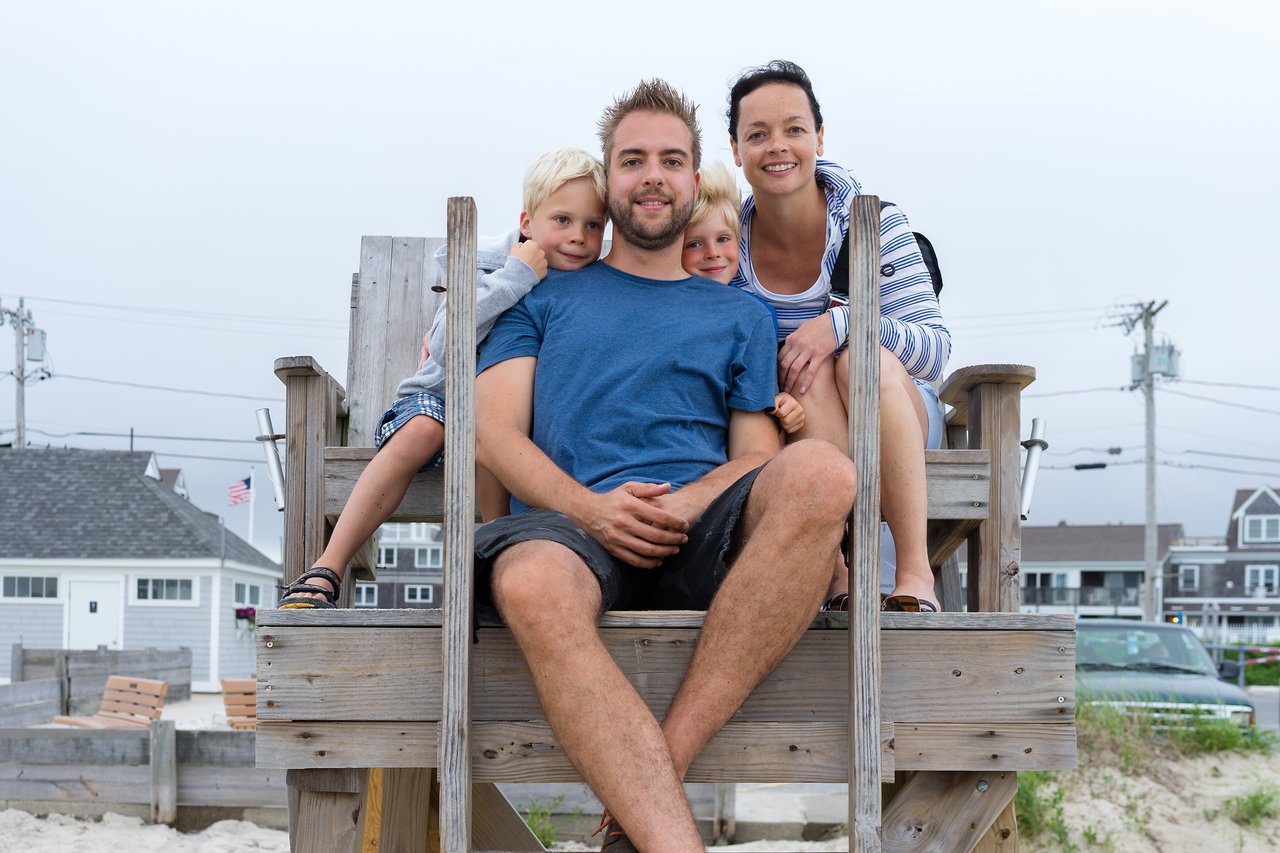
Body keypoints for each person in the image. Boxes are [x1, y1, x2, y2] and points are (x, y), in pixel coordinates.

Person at [473, 80, 855, 851]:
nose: (653, 175)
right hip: (569, 523)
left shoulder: (738, 313)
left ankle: (653, 781)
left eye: (672, 160)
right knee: (529, 579)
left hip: (705, 532)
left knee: (822, 473)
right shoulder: (541, 293)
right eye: (633, 159)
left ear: (695, 177)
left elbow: (753, 456)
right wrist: (593, 510)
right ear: (608, 178)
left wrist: (687, 501)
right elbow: (493, 433)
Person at [277, 147, 607, 608]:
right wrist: (515, 277)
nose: (578, 237)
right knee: (428, 429)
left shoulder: (592, 285)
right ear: (528, 223)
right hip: (435, 402)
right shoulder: (490, 267)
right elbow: (447, 339)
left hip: (504, 423)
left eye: (593, 225)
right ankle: (325, 569)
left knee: (494, 433)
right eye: (563, 221)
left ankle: (495, 553)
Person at [726, 60, 952, 614]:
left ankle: (913, 574)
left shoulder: (871, 223)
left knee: (856, 363)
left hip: (891, 406)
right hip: (793, 417)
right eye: (757, 134)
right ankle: (836, 572)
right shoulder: (725, 243)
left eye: (795, 129)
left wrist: (843, 325)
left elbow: (935, 351)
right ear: (736, 150)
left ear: (819, 138)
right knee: (804, 373)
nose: (778, 146)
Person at [681, 160, 804, 436]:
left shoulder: (756, 315)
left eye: (723, 239)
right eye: (695, 244)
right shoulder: (670, 309)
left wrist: (785, 404)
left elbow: (764, 389)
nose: (713, 253)